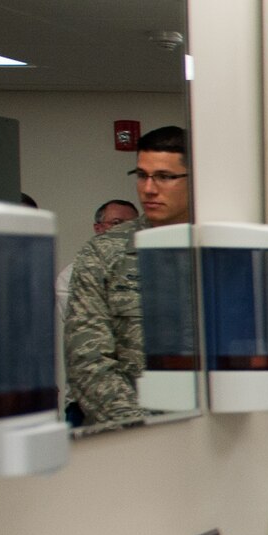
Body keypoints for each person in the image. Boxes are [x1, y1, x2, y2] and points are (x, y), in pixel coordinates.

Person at [63, 125, 192, 431]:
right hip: (129, 436)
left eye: (164, 177)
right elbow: (88, 360)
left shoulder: (225, 251)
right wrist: (142, 430)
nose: (148, 188)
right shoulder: (105, 252)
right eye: (141, 175)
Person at [55, 199, 137, 315]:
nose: (127, 230)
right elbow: (81, 322)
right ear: (98, 228)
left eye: (133, 224)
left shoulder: (150, 267)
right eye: (117, 223)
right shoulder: (72, 274)